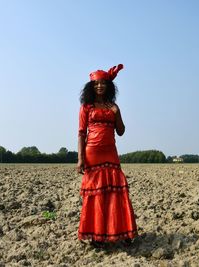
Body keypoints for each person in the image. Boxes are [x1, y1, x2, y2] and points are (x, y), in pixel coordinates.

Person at [77, 64, 138, 247]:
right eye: (96, 84)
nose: (99, 86)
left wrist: (117, 113)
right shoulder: (86, 107)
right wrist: (80, 159)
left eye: (103, 83)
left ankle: (124, 232)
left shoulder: (113, 106)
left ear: (108, 86)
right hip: (92, 153)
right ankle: (97, 236)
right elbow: (81, 133)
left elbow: (121, 131)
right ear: (91, 87)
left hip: (111, 152)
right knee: (96, 194)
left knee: (116, 191)